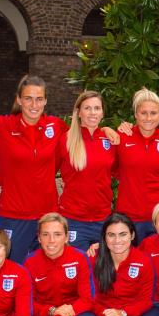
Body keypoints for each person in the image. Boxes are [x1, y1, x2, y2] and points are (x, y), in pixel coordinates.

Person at [0, 76, 68, 263]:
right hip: (14, 216)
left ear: (46, 101)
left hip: (48, 215)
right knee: (11, 270)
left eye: (39, 99)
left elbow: (82, 135)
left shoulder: (56, 126)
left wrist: (108, 131)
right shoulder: (1, 125)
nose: (34, 104)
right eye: (28, 98)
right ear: (19, 99)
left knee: (46, 273)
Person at [58, 91, 117, 252]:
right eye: (87, 108)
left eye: (97, 108)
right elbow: (45, 171)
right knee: (78, 270)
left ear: (103, 112)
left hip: (103, 219)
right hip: (73, 219)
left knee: (103, 272)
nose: (93, 113)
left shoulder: (111, 140)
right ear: (78, 112)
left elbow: (125, 170)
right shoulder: (65, 140)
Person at [115, 88, 159, 240]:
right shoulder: (122, 137)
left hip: (158, 216)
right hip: (128, 216)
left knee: (157, 262)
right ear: (135, 114)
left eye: (153, 113)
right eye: (143, 113)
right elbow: (111, 168)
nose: (148, 118)